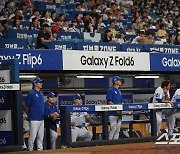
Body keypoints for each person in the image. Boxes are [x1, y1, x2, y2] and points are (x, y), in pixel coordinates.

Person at [24, 77, 44, 151]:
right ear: (35, 84)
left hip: (41, 118)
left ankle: (40, 149)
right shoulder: (31, 93)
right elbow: (26, 106)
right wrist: (30, 114)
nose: (41, 83)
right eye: (39, 82)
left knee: (41, 136)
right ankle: (30, 150)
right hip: (34, 118)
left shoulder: (41, 93)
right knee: (33, 136)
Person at [106, 76, 124, 140]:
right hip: (112, 113)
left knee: (118, 129)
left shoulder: (119, 91)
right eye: (119, 80)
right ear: (115, 81)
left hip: (119, 113)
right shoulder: (111, 90)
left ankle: (115, 142)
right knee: (113, 128)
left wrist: (120, 109)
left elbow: (121, 102)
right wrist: (116, 109)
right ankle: (109, 143)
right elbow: (109, 101)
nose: (120, 82)